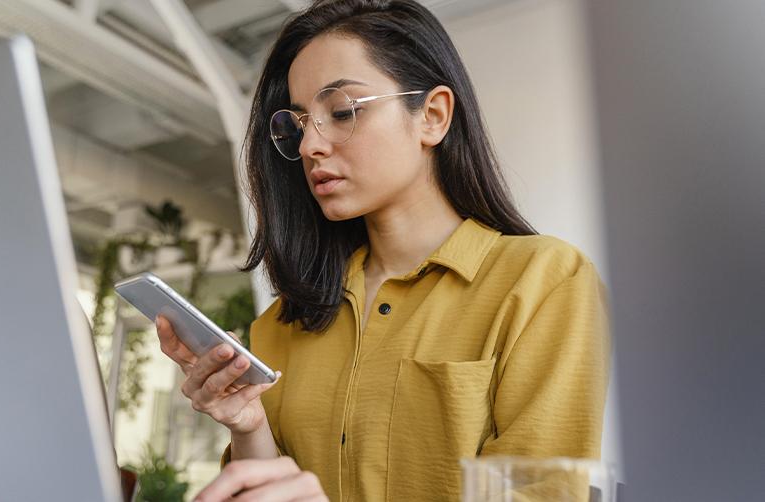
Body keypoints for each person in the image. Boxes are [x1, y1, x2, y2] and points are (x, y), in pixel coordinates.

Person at [155, 0, 610, 500]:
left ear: (432, 116)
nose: (310, 146)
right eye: (300, 123)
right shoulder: (283, 322)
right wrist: (248, 426)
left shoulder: (546, 282)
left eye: (343, 111)